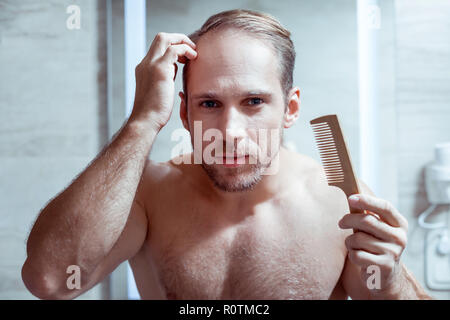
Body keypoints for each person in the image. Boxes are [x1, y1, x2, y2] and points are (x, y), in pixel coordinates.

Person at [22, 9, 431, 300]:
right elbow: (50, 281)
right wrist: (142, 121)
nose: (231, 133)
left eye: (253, 101)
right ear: (183, 110)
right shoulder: (148, 195)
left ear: (290, 108)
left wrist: (391, 282)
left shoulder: (340, 202)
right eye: (210, 104)